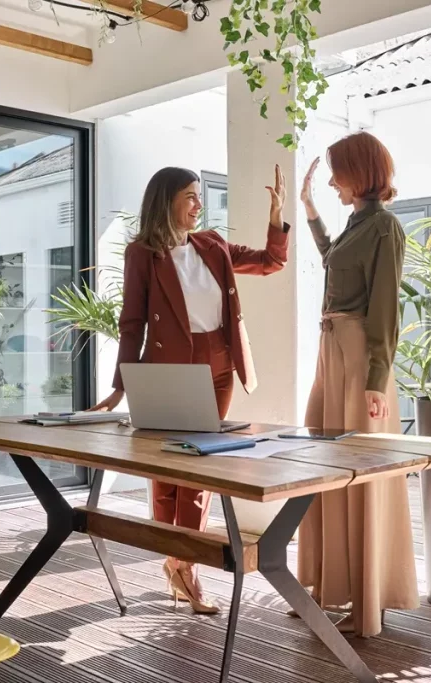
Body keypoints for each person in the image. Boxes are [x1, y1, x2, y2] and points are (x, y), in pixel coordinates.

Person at [91, 165, 289, 614]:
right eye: (190, 196)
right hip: (169, 369)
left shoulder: (212, 243)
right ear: (167, 202)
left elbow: (270, 262)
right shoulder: (143, 253)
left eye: (199, 196)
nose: (199, 204)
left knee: (200, 470)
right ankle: (178, 559)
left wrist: (277, 217)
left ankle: (186, 565)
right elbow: (132, 322)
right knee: (169, 473)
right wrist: (121, 385)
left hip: (218, 366)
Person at [295, 131, 417, 638]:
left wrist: (375, 381)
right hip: (332, 354)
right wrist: (308, 209)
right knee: (323, 463)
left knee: (360, 474)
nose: (330, 182)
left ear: (359, 172)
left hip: (361, 361)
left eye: (336, 173)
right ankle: (329, 587)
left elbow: (385, 308)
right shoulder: (358, 225)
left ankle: (370, 605)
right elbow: (334, 262)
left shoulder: (385, 228)